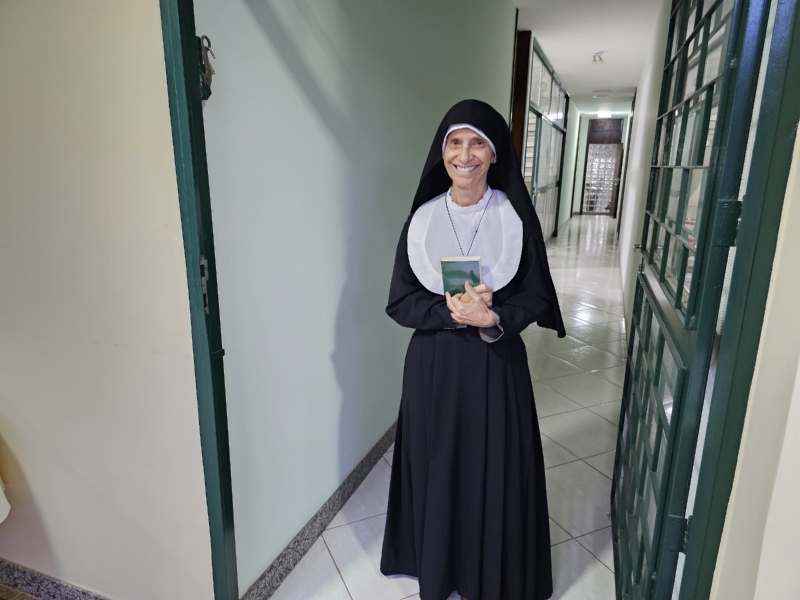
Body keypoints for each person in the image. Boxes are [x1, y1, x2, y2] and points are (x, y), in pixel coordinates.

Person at [380, 100, 566, 600]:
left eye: (478, 142)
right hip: (434, 367)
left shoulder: (513, 218)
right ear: (442, 153)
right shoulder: (422, 221)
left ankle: (489, 574)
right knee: (439, 466)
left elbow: (536, 296)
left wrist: (495, 317)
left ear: (495, 152)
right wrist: (450, 313)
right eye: (455, 143)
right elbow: (399, 301)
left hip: (495, 363)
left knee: (495, 468)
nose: (465, 155)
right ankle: (440, 567)